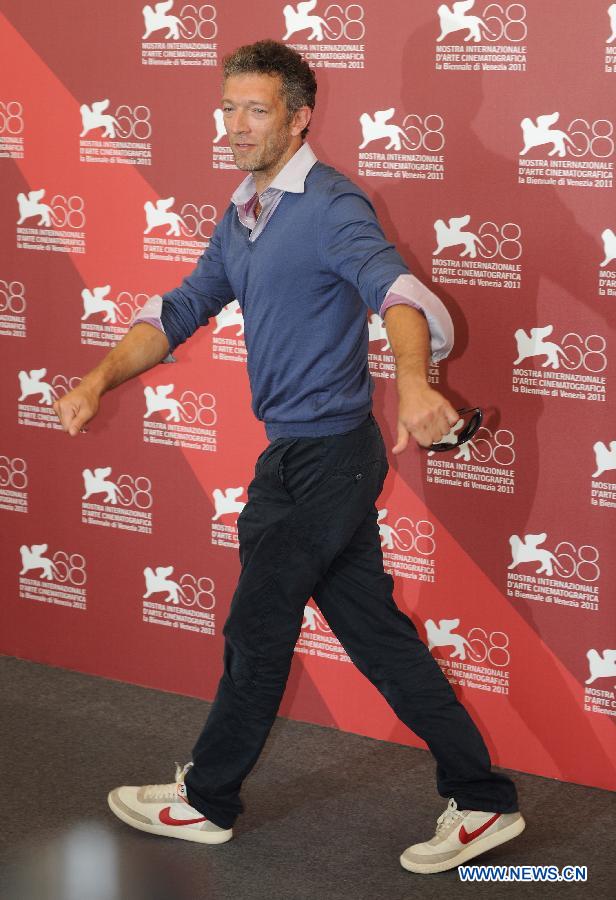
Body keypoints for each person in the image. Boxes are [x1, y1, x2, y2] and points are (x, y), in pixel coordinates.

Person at [53, 39, 525, 874]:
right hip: (306, 459)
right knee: (379, 638)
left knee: (256, 626)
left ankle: (207, 801)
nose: (234, 124)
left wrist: (414, 386)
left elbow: (399, 295)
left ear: (299, 117)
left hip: (325, 461)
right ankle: (484, 800)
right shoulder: (244, 214)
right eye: (227, 106)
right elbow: (179, 309)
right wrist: (95, 380)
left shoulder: (331, 205)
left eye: (255, 109)